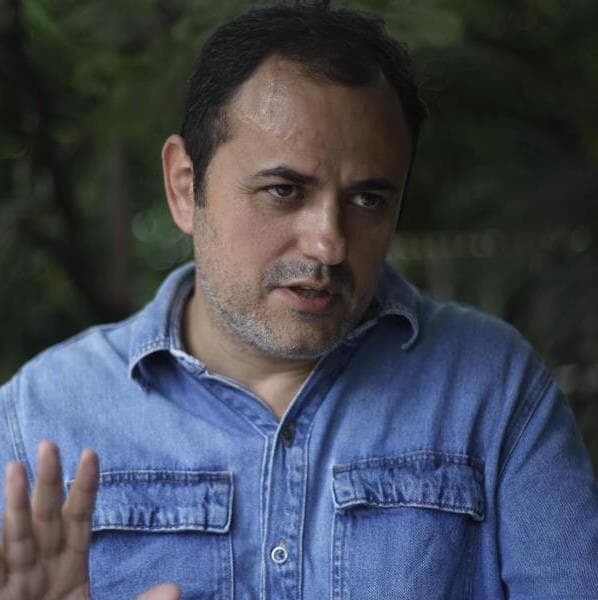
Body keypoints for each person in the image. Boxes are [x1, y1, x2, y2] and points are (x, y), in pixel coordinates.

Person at [1, 2, 597, 599]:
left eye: (368, 200)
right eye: (283, 190)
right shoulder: (39, 418)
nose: (329, 243)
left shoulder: (491, 390)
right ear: (185, 187)